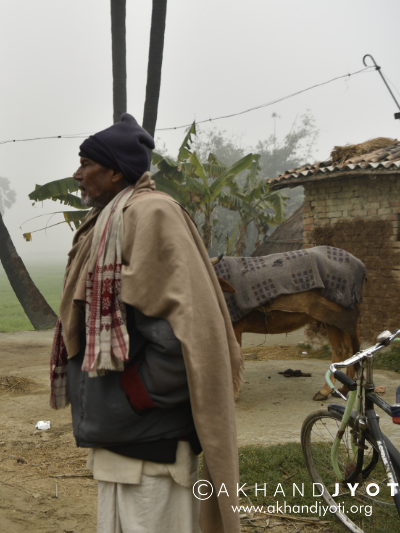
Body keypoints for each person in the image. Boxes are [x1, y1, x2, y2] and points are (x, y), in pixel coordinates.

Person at [49, 114, 243, 533]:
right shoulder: (111, 217)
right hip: (122, 438)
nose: (77, 174)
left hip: (150, 442)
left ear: (116, 171)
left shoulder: (150, 214)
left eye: (86, 164)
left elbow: (178, 335)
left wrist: (134, 395)